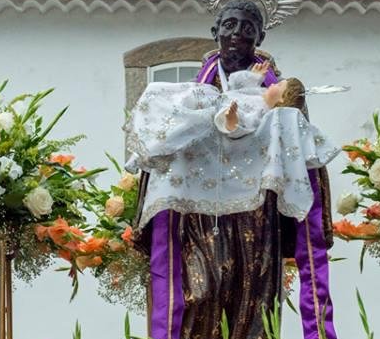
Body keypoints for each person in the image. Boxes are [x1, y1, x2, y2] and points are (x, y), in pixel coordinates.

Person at [132, 0, 342, 339]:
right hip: (197, 216)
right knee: (200, 295)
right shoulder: (195, 89)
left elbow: (297, 139)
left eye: (247, 28)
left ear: (259, 36)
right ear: (215, 32)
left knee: (255, 304)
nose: (237, 35)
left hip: (256, 216)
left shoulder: (277, 87)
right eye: (229, 25)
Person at [125, 59, 339, 225]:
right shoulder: (259, 94)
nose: (273, 83)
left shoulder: (262, 111)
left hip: (209, 112)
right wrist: (252, 77)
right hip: (208, 98)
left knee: (171, 119)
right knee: (161, 95)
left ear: (281, 99)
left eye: (279, 85)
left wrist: (231, 119)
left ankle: (143, 152)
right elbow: (237, 88)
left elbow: (240, 127)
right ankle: (143, 146)